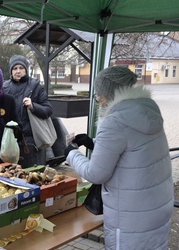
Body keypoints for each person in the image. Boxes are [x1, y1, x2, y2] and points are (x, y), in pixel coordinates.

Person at [64, 66, 174, 250]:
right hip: (156, 204)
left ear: (109, 92)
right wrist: (93, 143)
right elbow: (131, 148)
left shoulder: (114, 121)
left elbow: (96, 173)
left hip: (131, 214)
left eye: (99, 93)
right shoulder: (148, 109)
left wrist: (71, 153)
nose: (98, 98)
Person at [3, 55, 53, 168]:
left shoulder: (35, 86)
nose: (18, 71)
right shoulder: (4, 87)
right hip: (9, 140)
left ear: (26, 70)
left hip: (30, 141)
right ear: (11, 71)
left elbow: (48, 110)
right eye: (15, 68)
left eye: (21, 68)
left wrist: (33, 106)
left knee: (31, 175)